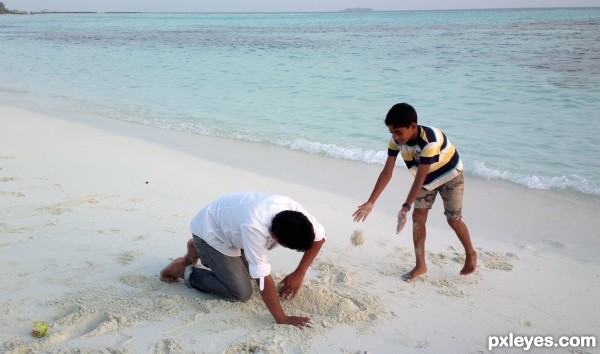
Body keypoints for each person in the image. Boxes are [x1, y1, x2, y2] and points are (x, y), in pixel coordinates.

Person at [160, 192, 326, 329]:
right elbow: (263, 279)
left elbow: (320, 238)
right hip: (211, 233)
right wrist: (282, 318)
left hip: (230, 229)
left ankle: (197, 249)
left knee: (249, 273)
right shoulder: (255, 228)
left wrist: (300, 272)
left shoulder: (296, 216)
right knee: (241, 292)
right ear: (275, 237)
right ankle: (183, 269)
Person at [352, 103, 477, 282]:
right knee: (418, 218)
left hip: (450, 176)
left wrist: (405, 207)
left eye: (399, 132)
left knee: (453, 220)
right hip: (426, 179)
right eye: (391, 133)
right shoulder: (396, 141)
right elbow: (387, 171)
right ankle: (421, 265)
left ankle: (471, 253)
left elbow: (420, 178)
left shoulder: (430, 141)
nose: (395, 137)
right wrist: (371, 202)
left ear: (412, 126)